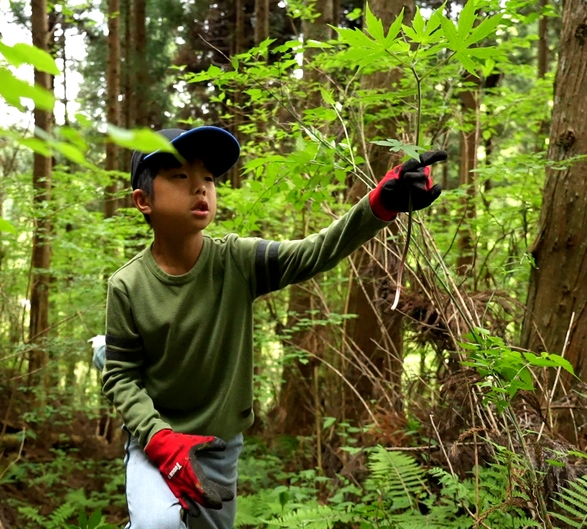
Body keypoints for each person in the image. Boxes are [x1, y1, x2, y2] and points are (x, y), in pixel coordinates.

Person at [102, 126, 445, 528]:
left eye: (209, 180)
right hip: (154, 439)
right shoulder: (127, 286)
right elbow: (122, 377)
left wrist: (379, 205)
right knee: (157, 525)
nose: (201, 190)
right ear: (143, 200)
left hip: (217, 446)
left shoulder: (237, 261)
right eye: (181, 178)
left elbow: (314, 252)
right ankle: (103, 351)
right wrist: (159, 440)